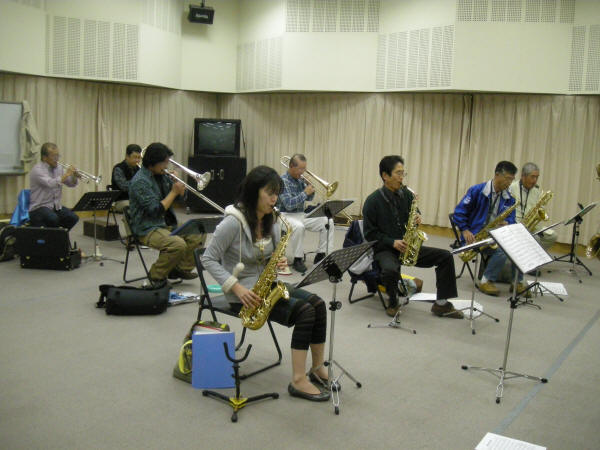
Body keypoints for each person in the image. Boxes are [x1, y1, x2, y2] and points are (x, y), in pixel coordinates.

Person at [202, 166, 331, 401]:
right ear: (253, 192)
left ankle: (317, 368)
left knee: (319, 305)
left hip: (266, 285)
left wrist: (277, 260)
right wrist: (236, 287)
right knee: (305, 312)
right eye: (270, 193)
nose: (274, 199)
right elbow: (208, 259)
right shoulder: (232, 223)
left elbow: (267, 255)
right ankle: (298, 380)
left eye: (277, 193)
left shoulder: (271, 220)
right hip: (243, 295)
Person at [362, 155, 463, 318]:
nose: (402, 177)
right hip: (385, 248)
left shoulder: (407, 195)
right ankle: (393, 302)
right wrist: (392, 242)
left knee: (445, 256)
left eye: (403, 173)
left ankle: (441, 304)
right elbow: (369, 234)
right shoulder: (372, 201)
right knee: (389, 269)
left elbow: (415, 213)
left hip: (408, 246)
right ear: (385, 176)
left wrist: (417, 217)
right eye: (398, 173)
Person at [128, 142, 204, 284]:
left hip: (166, 222)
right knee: (177, 244)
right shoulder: (140, 182)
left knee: (198, 231)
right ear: (152, 163)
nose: (166, 166)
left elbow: (180, 200)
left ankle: (179, 269)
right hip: (147, 227)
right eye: (164, 163)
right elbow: (155, 210)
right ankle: (156, 276)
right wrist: (174, 192)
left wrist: (180, 190)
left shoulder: (161, 175)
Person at [453, 160, 530, 297]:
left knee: (517, 244)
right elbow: (459, 213)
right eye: (507, 179)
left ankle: (517, 282)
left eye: (512, 180)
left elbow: (512, 219)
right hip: (475, 235)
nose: (509, 183)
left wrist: (508, 223)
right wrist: (465, 230)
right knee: (503, 248)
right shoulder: (477, 191)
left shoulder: (509, 198)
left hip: (496, 235)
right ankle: (486, 280)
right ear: (497, 175)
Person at [278, 154, 334, 273]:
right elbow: (288, 204)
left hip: (300, 214)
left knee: (327, 221)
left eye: (304, 168)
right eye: (300, 169)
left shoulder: (300, 180)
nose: (303, 172)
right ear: (291, 166)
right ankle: (298, 259)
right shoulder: (282, 181)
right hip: (284, 215)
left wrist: (310, 187)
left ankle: (322, 254)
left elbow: (309, 198)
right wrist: (305, 193)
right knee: (299, 227)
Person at [28, 142, 80, 230]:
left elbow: (71, 184)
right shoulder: (38, 170)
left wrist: (74, 176)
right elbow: (51, 183)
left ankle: (60, 235)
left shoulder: (58, 168)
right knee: (53, 219)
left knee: (73, 218)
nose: (57, 159)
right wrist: (67, 174)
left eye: (58, 155)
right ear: (44, 158)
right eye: (54, 156)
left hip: (55, 206)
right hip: (39, 207)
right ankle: (56, 236)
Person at [509, 162, 557, 250]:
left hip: (531, 225)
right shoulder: (512, 188)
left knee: (552, 236)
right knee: (536, 239)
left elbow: (539, 209)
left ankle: (536, 254)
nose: (535, 180)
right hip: (516, 224)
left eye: (537, 177)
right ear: (523, 176)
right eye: (532, 177)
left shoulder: (536, 191)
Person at [111, 144, 141, 212]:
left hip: (136, 199)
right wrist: (140, 182)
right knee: (136, 206)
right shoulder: (118, 168)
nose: (137, 160)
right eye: (135, 157)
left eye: (139, 158)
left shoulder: (138, 169)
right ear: (127, 156)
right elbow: (124, 186)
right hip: (122, 200)